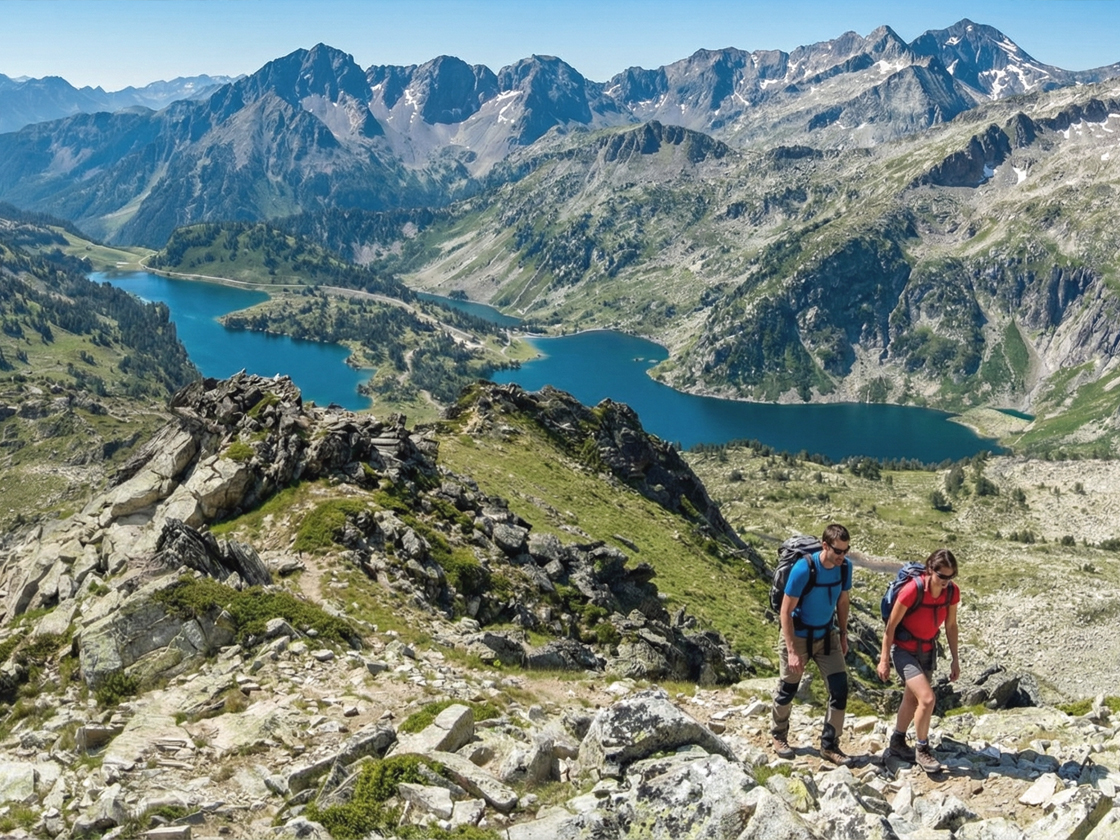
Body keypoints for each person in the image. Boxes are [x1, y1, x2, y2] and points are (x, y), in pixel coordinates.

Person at [771, 523, 853, 766]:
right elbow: (785, 612)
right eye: (838, 551)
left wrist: (843, 633)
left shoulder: (844, 568)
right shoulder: (803, 569)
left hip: (827, 635)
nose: (842, 556)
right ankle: (778, 735)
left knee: (839, 689)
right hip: (798, 634)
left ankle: (829, 745)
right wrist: (793, 651)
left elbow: (843, 600)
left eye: (846, 551)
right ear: (825, 546)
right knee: (788, 689)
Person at [877, 548, 961, 774]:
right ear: (930, 570)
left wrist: (955, 659)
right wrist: (884, 659)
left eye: (950, 577)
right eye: (942, 576)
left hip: (927, 649)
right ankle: (922, 749)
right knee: (927, 698)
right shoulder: (912, 590)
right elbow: (890, 627)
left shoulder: (952, 593)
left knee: (912, 699)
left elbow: (951, 626)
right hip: (904, 651)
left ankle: (897, 742)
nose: (946, 582)